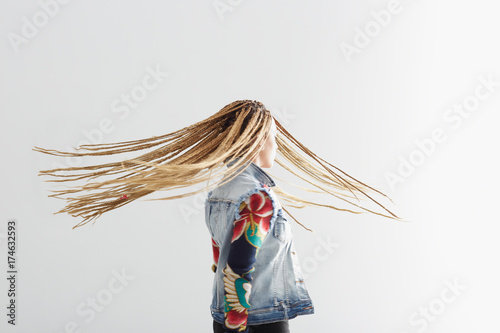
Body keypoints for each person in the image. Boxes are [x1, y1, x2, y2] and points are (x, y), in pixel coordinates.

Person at [33, 99, 404, 332]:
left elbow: (218, 257)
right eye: (273, 139)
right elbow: (238, 263)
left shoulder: (218, 193)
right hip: (258, 319)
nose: (275, 146)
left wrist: (228, 319)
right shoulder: (258, 198)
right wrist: (239, 321)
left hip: (224, 317)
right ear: (258, 142)